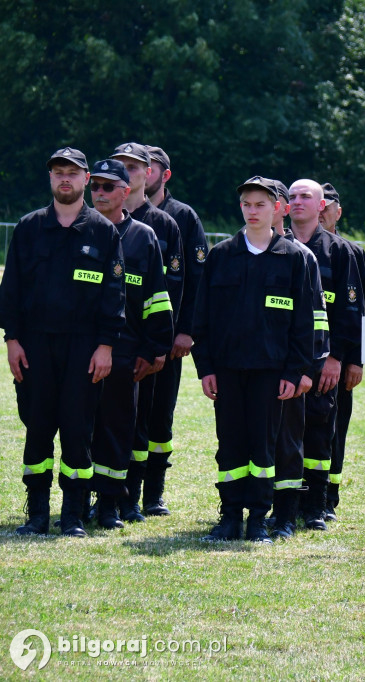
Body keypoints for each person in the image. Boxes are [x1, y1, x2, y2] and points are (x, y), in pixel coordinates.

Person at [0, 147, 125, 537]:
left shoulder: (104, 232)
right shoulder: (29, 227)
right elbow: (11, 290)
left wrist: (106, 345)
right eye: (58, 172)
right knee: (37, 427)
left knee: (77, 429)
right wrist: (12, 340)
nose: (65, 179)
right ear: (51, 178)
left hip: (84, 347)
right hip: (34, 345)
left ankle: (72, 514)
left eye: (73, 172)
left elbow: (114, 295)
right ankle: (37, 513)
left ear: (87, 179)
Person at [191, 176, 313, 544]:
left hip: (271, 372)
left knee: (263, 447)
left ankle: (259, 518)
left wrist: (295, 370)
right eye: (247, 204)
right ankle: (229, 517)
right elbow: (203, 318)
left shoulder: (293, 259)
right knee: (229, 443)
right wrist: (206, 367)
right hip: (227, 369)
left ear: (278, 208)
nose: (253, 211)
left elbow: (304, 322)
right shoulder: (222, 255)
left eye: (261, 204)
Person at [87, 159, 174, 528]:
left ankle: (111, 504)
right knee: (82, 428)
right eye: (96, 187)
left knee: (118, 428)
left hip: (126, 352)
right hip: (79, 350)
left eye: (109, 187)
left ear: (126, 192)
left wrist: (154, 348)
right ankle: (81, 501)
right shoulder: (79, 231)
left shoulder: (144, 236)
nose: (101, 193)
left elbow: (157, 296)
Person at [134, 144, 208, 518]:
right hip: (125, 340)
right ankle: (117, 491)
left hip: (168, 341)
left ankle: (153, 494)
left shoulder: (182, 217)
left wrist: (186, 332)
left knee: (160, 416)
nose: (140, 174)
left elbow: (197, 280)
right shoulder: (112, 212)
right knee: (120, 415)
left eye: (149, 168)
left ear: (164, 175)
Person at [111, 142, 183, 521]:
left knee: (147, 423)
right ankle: (105, 497)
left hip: (147, 345)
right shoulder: (98, 217)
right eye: (120, 165)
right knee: (103, 423)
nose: (129, 171)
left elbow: (172, 288)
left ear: (148, 173)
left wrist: (163, 340)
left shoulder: (164, 223)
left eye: (136, 166)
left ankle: (136, 497)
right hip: (106, 346)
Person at [288, 178, 361, 531]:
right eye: (292, 197)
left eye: (306, 197)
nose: (297, 202)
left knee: (319, 430)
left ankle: (315, 505)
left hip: (324, 361)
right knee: (284, 431)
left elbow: (350, 312)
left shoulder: (338, 251)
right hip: (285, 359)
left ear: (322, 206)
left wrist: (338, 358)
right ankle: (286, 501)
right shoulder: (279, 246)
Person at [266, 179, 328, 538]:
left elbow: (314, 319)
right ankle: (251, 511)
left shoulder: (299, 257)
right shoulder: (235, 252)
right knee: (247, 442)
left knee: (291, 441)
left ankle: (289, 512)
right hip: (250, 367)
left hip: (289, 367)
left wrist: (307, 368)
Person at [316, 180, 365, 522]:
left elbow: (363, 311)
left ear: (338, 212)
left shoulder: (351, 253)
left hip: (340, 359)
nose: (321, 211)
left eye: (328, 206)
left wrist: (356, 360)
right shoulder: (290, 247)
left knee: (335, 427)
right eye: (316, 204)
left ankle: (328, 496)